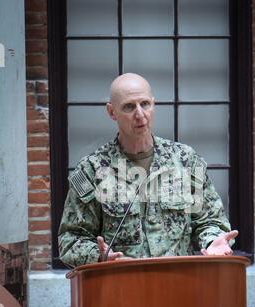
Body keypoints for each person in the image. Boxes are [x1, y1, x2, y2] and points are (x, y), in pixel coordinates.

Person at [58, 73, 238, 267]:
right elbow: (71, 239)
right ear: (111, 112)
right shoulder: (92, 170)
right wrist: (98, 255)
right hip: (119, 287)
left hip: (178, 284)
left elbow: (210, 220)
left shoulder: (185, 160)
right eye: (129, 106)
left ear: (153, 104)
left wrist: (212, 241)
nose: (140, 114)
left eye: (145, 104)